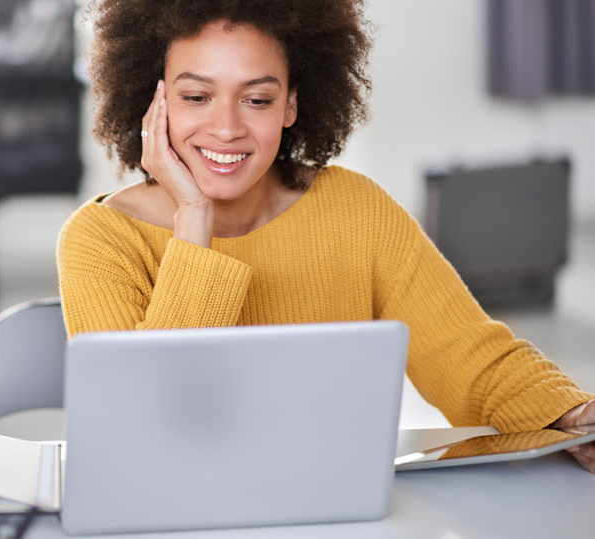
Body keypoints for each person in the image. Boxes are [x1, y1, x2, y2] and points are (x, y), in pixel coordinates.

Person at [56, 0, 595, 472]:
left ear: (292, 104)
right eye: (196, 96)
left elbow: (470, 359)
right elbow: (134, 431)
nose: (226, 128)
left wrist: (573, 414)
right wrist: (194, 219)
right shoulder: (101, 239)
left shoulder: (355, 209)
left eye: (258, 99)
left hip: (340, 511)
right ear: (155, 104)